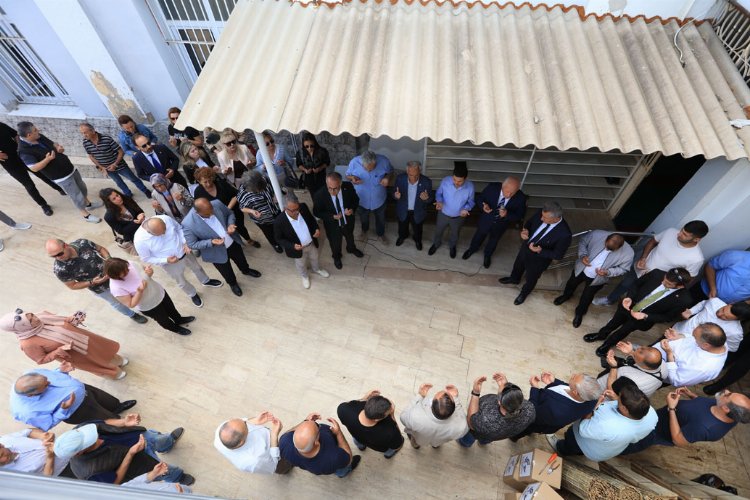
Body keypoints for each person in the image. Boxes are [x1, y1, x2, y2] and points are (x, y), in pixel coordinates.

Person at [583, 268, 693, 357]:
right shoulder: (657, 273)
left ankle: (608, 344)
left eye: (668, 284)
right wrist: (629, 297)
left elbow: (668, 317)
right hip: (628, 306)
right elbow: (636, 284)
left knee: (623, 331)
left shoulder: (685, 299)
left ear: (680, 286)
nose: (663, 282)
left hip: (642, 318)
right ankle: (601, 335)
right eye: (664, 279)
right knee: (613, 322)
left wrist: (645, 316)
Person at [594, 221, 708, 306]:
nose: (679, 234)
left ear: (697, 239)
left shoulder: (696, 258)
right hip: (640, 268)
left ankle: (622, 313)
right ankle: (610, 300)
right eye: (682, 230)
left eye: (685, 235)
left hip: (655, 281)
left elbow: (689, 278)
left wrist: (668, 285)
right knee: (625, 284)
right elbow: (652, 241)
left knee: (637, 298)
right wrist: (643, 258)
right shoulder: (670, 232)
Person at [54, 417, 193, 486]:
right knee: (164, 470)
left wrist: (124, 422)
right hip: (140, 464)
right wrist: (130, 453)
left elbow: (102, 423)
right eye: (91, 441)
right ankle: (178, 477)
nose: (97, 438)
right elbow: (115, 482)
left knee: (158, 439)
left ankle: (167, 443)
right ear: (79, 453)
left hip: (140, 436)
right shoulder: (88, 471)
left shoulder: (79, 431)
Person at [0, 308, 128, 380]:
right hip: (76, 355)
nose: (36, 318)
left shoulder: (41, 317)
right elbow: (41, 360)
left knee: (101, 349)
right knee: (95, 363)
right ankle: (113, 373)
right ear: (22, 327)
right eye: (30, 321)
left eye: (31, 316)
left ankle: (117, 360)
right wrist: (58, 351)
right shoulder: (27, 344)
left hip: (84, 338)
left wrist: (72, 319)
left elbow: (62, 321)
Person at [547, 382, 658, 461]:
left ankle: (561, 448)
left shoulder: (608, 426)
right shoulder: (651, 413)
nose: (617, 397)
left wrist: (592, 407)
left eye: (619, 398)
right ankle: (578, 453)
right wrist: (616, 399)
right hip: (608, 448)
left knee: (572, 439)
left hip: (587, 444)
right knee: (579, 449)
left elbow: (583, 429)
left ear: (625, 409)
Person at [46, 238, 147, 323]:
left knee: (133, 290)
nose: (58, 258)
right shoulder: (60, 270)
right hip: (100, 287)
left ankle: (143, 306)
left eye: (59, 253)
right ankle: (132, 315)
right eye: (53, 256)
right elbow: (72, 286)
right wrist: (92, 282)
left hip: (114, 274)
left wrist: (108, 260)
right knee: (116, 302)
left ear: (66, 245)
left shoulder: (82, 243)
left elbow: (100, 249)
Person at [622, 387, 750, 455]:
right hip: (658, 418)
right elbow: (703, 406)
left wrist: (672, 408)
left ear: (726, 408)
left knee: (631, 442)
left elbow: (678, 440)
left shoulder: (706, 428)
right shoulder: (728, 411)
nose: (726, 391)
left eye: (728, 395)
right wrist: (692, 395)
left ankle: (619, 451)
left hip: (656, 432)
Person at [17, 121, 102, 223]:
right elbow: (34, 168)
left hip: (70, 168)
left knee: (82, 188)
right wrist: (47, 159)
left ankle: (88, 205)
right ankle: (86, 215)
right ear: (29, 135)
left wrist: (58, 147)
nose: (38, 130)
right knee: (76, 195)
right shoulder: (23, 151)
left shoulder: (38, 136)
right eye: (35, 130)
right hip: (61, 176)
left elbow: (53, 144)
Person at [133, 216, 223, 308]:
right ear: (149, 232)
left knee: (197, 268)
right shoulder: (139, 240)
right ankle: (192, 294)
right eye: (160, 233)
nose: (164, 233)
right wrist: (166, 260)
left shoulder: (165, 218)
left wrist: (185, 242)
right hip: (169, 264)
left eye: (165, 229)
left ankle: (205, 280)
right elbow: (146, 258)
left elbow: (179, 229)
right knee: (181, 281)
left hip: (185, 251)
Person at [10, 367, 136, 431]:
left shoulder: (32, 373)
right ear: (31, 395)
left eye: (46, 379)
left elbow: (53, 375)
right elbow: (47, 424)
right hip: (79, 410)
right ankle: (125, 425)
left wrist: (61, 371)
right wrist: (63, 410)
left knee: (107, 400)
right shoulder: (27, 412)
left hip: (85, 390)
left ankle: (117, 407)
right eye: (46, 385)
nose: (49, 383)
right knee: (107, 418)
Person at [182, 198, 261, 297]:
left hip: (232, 242)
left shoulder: (216, 203)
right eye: (208, 213)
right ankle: (233, 283)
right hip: (215, 251)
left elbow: (230, 213)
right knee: (226, 271)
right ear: (197, 212)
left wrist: (231, 224)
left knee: (241, 259)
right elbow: (192, 244)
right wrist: (211, 242)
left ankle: (246, 270)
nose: (212, 213)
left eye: (211, 209)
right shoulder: (187, 224)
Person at [554, 231, 634, 328]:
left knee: (587, 296)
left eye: (611, 250)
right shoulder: (596, 234)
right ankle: (566, 296)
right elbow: (583, 241)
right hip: (581, 269)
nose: (607, 250)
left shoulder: (629, 253)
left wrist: (608, 272)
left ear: (619, 248)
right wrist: (583, 255)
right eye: (607, 246)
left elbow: (623, 269)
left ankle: (580, 313)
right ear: (606, 240)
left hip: (598, 278)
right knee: (571, 283)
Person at [499, 201, 572, 305]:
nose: (541, 219)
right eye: (542, 216)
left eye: (545, 218)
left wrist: (540, 250)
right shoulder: (541, 213)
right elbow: (529, 222)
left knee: (531, 279)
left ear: (556, 218)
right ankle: (514, 279)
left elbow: (558, 255)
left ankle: (524, 293)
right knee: (518, 265)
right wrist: (525, 230)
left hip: (539, 260)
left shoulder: (564, 234)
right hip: (525, 248)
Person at [105, 258, 195, 336]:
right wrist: (139, 291)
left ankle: (179, 319)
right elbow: (130, 304)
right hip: (149, 306)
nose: (128, 270)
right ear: (115, 275)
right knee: (164, 320)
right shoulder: (116, 288)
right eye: (124, 272)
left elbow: (145, 272)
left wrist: (149, 272)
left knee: (171, 309)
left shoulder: (130, 264)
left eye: (126, 267)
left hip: (159, 293)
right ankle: (175, 329)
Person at [462, 176, 527, 268]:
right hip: (486, 220)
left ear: (517, 190)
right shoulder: (492, 188)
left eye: (512, 193)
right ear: (502, 186)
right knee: (478, 236)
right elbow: (480, 198)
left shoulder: (521, 197)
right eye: (507, 191)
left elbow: (519, 215)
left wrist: (507, 214)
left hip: (501, 224)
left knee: (494, 240)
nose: (509, 195)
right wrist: (483, 206)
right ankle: (472, 249)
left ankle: (487, 255)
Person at [457, 373, 535, 447]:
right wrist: (506, 387)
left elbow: (471, 422)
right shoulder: (530, 409)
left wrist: (475, 393)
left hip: (477, 432)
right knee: (487, 439)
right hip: (495, 436)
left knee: (469, 437)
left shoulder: (487, 420)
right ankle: (483, 443)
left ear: (499, 402)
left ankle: (465, 443)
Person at [515, 371, 602, 438]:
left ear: (575, 392)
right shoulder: (592, 399)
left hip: (537, 420)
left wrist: (535, 388)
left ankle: (515, 436)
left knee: (524, 428)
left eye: (574, 378)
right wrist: (554, 381)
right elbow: (567, 387)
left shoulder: (556, 410)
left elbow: (533, 412)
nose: (573, 375)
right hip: (547, 417)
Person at [0, 120, 58, 216]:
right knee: (29, 185)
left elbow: (16, 134)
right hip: (10, 164)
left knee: (42, 174)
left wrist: (20, 148)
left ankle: (59, 188)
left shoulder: (1, 125)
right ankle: (43, 205)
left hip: (23, 156)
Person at [80, 123, 151, 199]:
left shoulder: (106, 139)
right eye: (82, 133)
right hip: (107, 169)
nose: (84, 135)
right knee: (118, 182)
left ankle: (145, 190)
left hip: (120, 165)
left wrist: (115, 164)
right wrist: (101, 167)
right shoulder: (85, 142)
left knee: (133, 178)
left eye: (85, 132)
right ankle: (128, 194)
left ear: (93, 131)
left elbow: (121, 151)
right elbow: (91, 156)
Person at [279, 412, 361, 478]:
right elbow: (348, 457)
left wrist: (306, 421)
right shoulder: (335, 457)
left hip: (318, 468)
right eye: (318, 426)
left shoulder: (284, 443)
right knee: (341, 469)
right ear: (316, 443)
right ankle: (343, 474)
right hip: (336, 463)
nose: (319, 425)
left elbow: (288, 433)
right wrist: (338, 433)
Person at [274, 193, 329, 289]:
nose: (297, 212)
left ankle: (316, 269)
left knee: (315, 257)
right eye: (293, 210)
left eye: (297, 208)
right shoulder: (279, 221)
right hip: (298, 250)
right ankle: (305, 276)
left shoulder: (303, 207)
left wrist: (316, 229)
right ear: (285, 209)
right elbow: (279, 239)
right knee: (301, 264)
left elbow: (312, 220)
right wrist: (292, 246)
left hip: (311, 244)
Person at [313, 172, 364, 270]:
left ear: (340, 184)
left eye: (335, 188)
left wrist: (352, 209)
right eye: (329, 188)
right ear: (326, 184)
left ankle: (351, 249)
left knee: (350, 236)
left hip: (348, 221)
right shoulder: (320, 195)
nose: (332, 191)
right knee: (335, 243)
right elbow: (317, 212)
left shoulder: (348, 187)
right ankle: (336, 256)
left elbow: (355, 200)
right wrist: (332, 216)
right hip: (332, 225)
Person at [194, 167, 256, 246]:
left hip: (233, 211)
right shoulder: (198, 192)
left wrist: (227, 208)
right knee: (227, 232)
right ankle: (238, 244)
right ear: (199, 181)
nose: (208, 184)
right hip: (217, 217)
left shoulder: (221, 184)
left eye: (209, 180)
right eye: (205, 182)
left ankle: (248, 239)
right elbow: (199, 207)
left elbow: (236, 195)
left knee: (240, 227)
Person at [215, 412, 292, 474]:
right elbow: (273, 464)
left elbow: (243, 421)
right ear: (242, 442)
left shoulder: (223, 428)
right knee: (284, 466)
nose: (245, 421)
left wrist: (255, 420)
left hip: (270, 443)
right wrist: (274, 436)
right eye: (246, 424)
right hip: (277, 459)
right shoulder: (253, 462)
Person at [337, 390, 404, 458]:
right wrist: (392, 415)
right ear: (377, 419)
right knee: (391, 450)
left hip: (357, 436)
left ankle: (361, 447)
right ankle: (387, 455)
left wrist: (364, 398)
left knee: (358, 440)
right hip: (377, 447)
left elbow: (350, 404)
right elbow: (397, 445)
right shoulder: (390, 432)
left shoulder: (343, 410)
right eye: (387, 414)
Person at [656, 323, 728, 387]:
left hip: (657, 372)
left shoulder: (703, 369)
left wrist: (669, 354)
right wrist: (679, 336)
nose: (693, 338)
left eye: (695, 337)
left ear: (706, 345)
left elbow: (676, 380)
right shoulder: (718, 342)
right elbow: (691, 337)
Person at [399, 383, 468, 449]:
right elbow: (465, 429)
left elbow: (403, 417)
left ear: (431, 406)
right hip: (438, 441)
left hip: (419, 439)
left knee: (415, 441)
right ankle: (435, 446)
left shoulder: (415, 416)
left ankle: (416, 446)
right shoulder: (461, 426)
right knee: (436, 443)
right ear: (453, 410)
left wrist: (420, 395)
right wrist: (455, 398)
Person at [346, 150, 393, 243]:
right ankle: (364, 231)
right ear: (362, 162)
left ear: (376, 162)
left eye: (371, 169)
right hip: (362, 199)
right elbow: (347, 175)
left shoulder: (384, 161)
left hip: (379, 199)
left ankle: (381, 233)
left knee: (381, 218)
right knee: (363, 217)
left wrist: (387, 178)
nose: (369, 171)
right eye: (366, 168)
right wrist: (352, 178)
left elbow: (391, 171)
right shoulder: (354, 162)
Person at [428, 163, 475, 258]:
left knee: (455, 233)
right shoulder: (445, 181)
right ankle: (436, 244)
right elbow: (438, 194)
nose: (456, 183)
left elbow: (471, 201)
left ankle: (452, 246)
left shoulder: (470, 187)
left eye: (459, 181)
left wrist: (466, 209)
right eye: (454, 179)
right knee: (438, 231)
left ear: (465, 178)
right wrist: (439, 201)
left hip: (458, 217)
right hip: (443, 214)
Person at [672, 298, 749, 353]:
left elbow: (732, 348)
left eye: (726, 317)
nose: (720, 314)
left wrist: (712, 343)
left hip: (688, 349)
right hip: (677, 330)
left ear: (737, 320)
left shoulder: (735, 332)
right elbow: (703, 304)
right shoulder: (715, 301)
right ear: (730, 303)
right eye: (723, 309)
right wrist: (691, 311)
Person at [599, 342, 667, 397]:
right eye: (645, 348)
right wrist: (631, 352)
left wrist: (613, 367)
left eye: (640, 352)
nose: (639, 348)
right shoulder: (662, 365)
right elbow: (642, 361)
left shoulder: (631, 381)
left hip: (602, 393)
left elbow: (611, 392)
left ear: (645, 366)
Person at [237, 171, 283, 252]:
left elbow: (276, 187)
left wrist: (277, 195)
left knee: (280, 228)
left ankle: (283, 240)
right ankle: (275, 244)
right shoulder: (243, 193)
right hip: (263, 219)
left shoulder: (265, 179)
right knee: (269, 233)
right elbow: (242, 207)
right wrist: (252, 211)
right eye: (257, 190)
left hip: (276, 211)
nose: (260, 191)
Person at [393, 161, 432, 250]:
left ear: (420, 172)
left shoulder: (427, 181)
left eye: (416, 175)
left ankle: (417, 240)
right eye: (411, 175)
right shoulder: (400, 179)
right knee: (402, 227)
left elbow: (430, 199)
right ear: (407, 172)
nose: (413, 178)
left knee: (418, 229)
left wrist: (426, 198)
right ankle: (402, 236)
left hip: (418, 211)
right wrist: (396, 196)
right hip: (403, 209)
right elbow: (394, 193)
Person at [0, 428, 69, 477]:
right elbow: (45, 478)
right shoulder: (13, 476)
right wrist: (50, 457)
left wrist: (42, 436)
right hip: (67, 468)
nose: (3, 460)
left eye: (1, 455)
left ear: (1, 445)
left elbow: (28, 432)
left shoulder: (6, 439)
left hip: (66, 442)